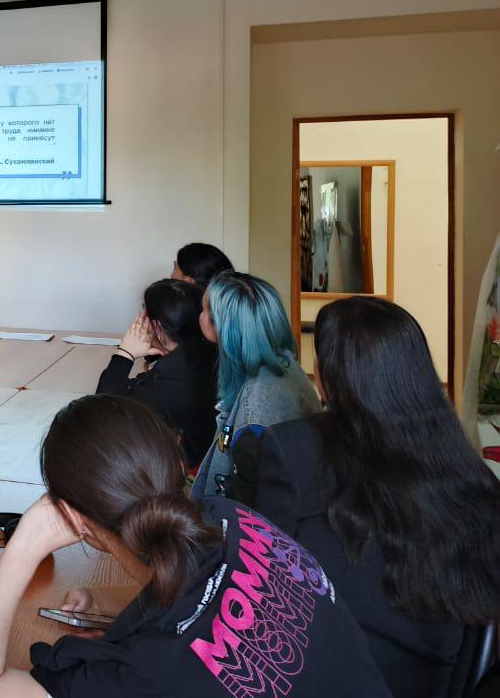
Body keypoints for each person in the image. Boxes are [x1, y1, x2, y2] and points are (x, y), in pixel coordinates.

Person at [0, 395, 391, 698]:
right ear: (174, 458)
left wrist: (25, 545)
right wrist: (106, 599)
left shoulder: (141, 675)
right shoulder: (230, 516)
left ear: (76, 519)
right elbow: (207, 591)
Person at [242, 297, 500, 698]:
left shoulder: (294, 449)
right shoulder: (470, 472)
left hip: (330, 680)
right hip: (437, 683)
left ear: (327, 375)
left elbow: (267, 590)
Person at [190, 271, 320, 499]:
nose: (200, 315)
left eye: (205, 310)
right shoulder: (285, 364)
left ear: (221, 326)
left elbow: (254, 492)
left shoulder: (257, 403)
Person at [96, 279, 217, 468]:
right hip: (207, 452)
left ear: (158, 327)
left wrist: (125, 354)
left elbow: (103, 409)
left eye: (144, 311)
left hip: (180, 467)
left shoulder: (161, 381)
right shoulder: (209, 352)